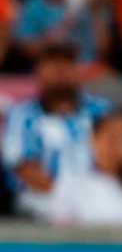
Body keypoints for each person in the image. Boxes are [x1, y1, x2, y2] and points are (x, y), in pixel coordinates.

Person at [0, 42, 109, 219]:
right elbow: (24, 169)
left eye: (67, 63)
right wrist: (70, 201)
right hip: (40, 201)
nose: (60, 70)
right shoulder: (21, 115)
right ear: (38, 72)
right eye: (52, 63)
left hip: (98, 199)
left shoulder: (100, 110)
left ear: (79, 71)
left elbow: (118, 161)